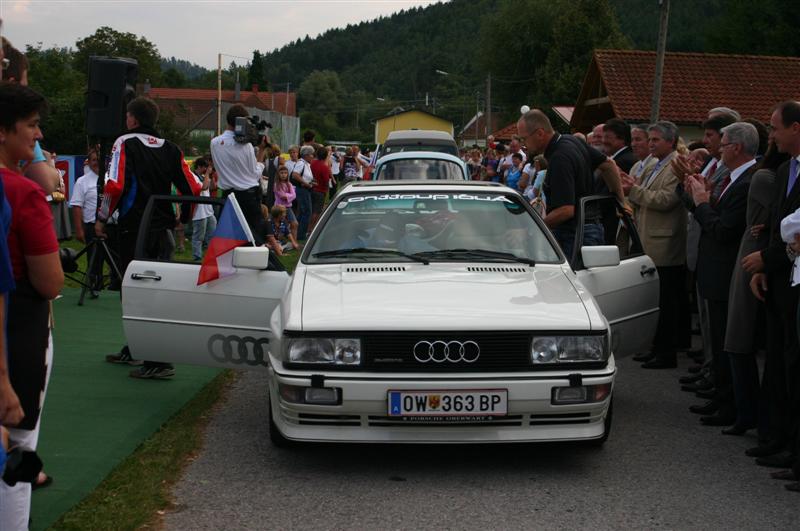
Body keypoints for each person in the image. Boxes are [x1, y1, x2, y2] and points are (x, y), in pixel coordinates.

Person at [99, 96, 201, 379]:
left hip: (134, 227)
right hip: (162, 227)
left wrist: (101, 217)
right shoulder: (171, 148)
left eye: (127, 117)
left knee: (133, 291)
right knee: (154, 290)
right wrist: (186, 217)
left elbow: (115, 185)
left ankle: (157, 359)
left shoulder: (124, 142)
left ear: (132, 119)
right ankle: (138, 347)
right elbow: (194, 185)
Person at [0, 81, 64, 531]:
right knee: (16, 453)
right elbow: (50, 281)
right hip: (19, 331)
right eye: (33, 126)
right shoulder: (22, 195)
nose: (38, 136)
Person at [685, 122, 758, 428]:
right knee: (717, 342)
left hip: (727, 273)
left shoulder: (747, 182)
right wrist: (703, 195)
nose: (719, 149)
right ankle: (721, 397)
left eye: (724, 144)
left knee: (731, 346)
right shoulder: (730, 179)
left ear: (737, 148)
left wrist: (703, 203)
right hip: (713, 270)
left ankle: (735, 407)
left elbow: (724, 230)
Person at [744, 101, 800, 473]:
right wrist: (764, 263)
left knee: (795, 366)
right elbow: (778, 221)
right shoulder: (785, 170)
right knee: (780, 362)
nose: (772, 134)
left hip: (793, 274)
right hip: (781, 278)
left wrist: (770, 258)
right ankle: (780, 438)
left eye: (776, 127)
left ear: (796, 128)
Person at [720, 134, 784, 434]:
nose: (773, 137)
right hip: (755, 251)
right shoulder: (769, 175)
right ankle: (747, 410)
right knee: (741, 337)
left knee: (741, 336)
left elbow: (784, 214)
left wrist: (772, 224)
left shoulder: (763, 178)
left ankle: (748, 412)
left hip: (756, 252)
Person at [621, 121, 688, 369]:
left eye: (656, 140)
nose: (650, 144)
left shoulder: (675, 165)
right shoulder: (654, 164)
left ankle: (666, 352)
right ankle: (656, 347)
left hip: (665, 243)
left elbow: (667, 200)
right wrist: (632, 188)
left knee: (667, 301)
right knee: (656, 300)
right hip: (649, 237)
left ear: (671, 142)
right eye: (649, 140)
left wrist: (634, 190)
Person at [516, 109, 622, 261]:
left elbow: (566, 210)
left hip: (576, 234)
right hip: (590, 228)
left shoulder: (560, 157)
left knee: (574, 284)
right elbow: (608, 164)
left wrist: (533, 228)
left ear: (540, 133)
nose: (523, 145)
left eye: (524, 139)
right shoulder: (572, 140)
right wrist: (621, 201)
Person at [210, 104, 269, 243]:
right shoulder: (246, 146)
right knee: (254, 237)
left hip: (227, 195)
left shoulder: (214, 142)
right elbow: (254, 174)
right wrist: (261, 151)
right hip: (248, 196)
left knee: (229, 238)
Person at [69, 148, 103, 295]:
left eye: (99, 160)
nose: (97, 163)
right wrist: (79, 230)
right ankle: (94, 287)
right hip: (90, 225)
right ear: (89, 162)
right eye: (94, 160)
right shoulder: (82, 181)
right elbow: (77, 206)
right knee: (94, 260)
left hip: (111, 225)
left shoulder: (110, 178)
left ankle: (115, 286)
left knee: (115, 259)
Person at [190, 158, 217, 262]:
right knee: (198, 237)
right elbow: (204, 187)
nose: (206, 169)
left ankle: (211, 257)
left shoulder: (203, 176)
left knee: (212, 234)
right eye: (205, 167)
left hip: (208, 211)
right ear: (199, 167)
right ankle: (197, 258)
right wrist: (207, 174)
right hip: (199, 212)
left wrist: (211, 175)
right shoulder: (193, 176)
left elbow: (213, 187)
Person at [273, 166, 299, 244]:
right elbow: (282, 196)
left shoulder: (289, 184)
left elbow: (294, 195)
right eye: (281, 173)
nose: (284, 175)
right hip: (279, 208)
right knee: (280, 226)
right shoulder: (276, 185)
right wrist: (289, 195)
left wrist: (288, 195)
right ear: (278, 174)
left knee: (294, 223)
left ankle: (294, 242)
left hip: (288, 207)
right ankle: (278, 242)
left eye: (285, 173)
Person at [309, 145, 332, 233]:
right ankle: (311, 229)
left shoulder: (312, 163)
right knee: (317, 211)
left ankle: (307, 227)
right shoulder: (324, 167)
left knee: (311, 210)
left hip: (311, 188)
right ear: (326, 156)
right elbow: (326, 180)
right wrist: (327, 189)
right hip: (320, 190)